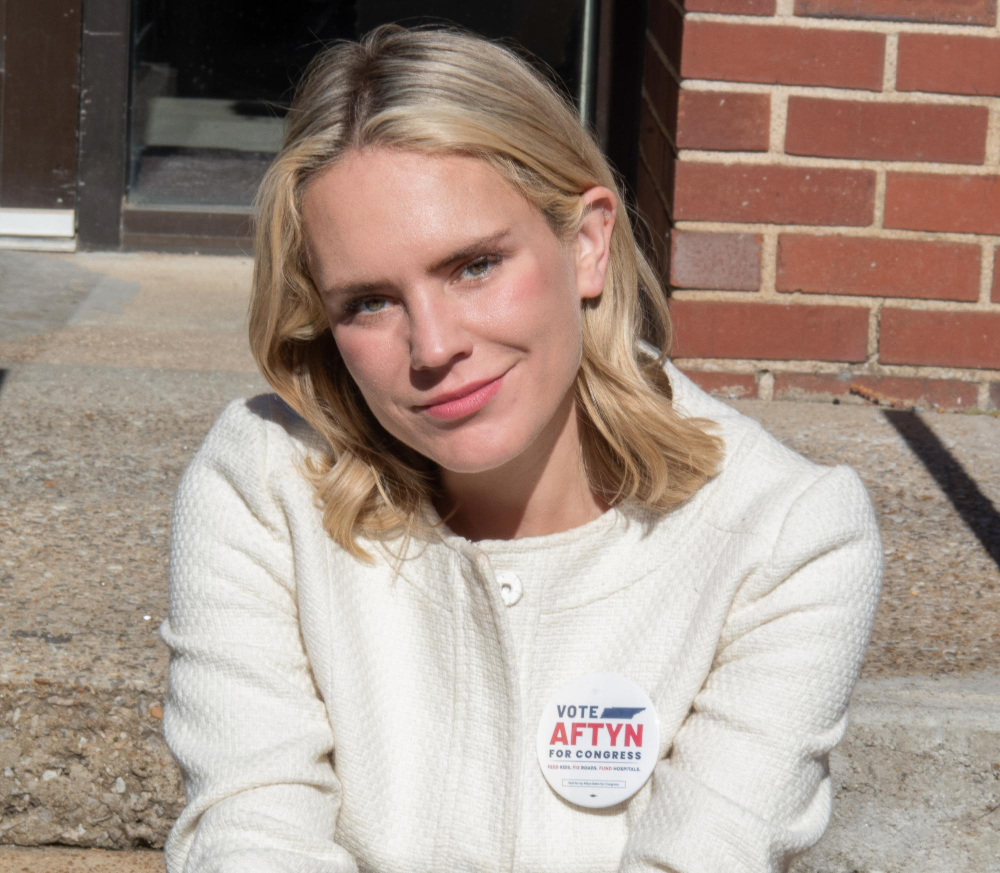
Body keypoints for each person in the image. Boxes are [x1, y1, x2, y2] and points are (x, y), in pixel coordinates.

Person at [158, 23, 883, 873]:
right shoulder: (264, 482)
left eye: (473, 266)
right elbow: (254, 836)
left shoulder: (788, 537)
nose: (434, 346)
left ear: (587, 243)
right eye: (368, 302)